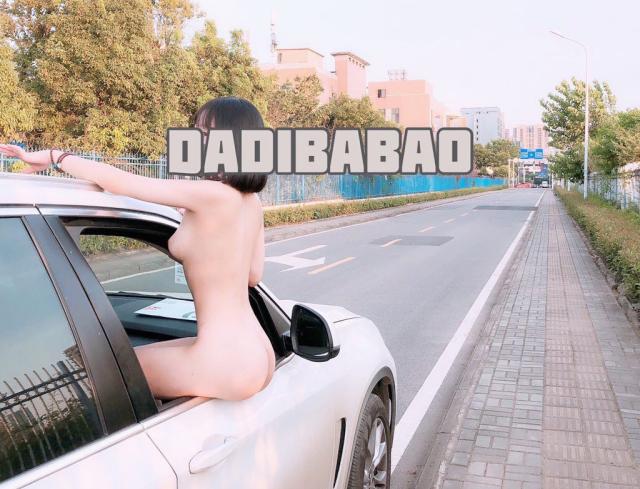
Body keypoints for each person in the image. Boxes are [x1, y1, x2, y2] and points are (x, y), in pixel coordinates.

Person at [0, 96, 276, 401]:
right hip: (256, 351)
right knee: (122, 361)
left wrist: (55, 156)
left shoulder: (211, 195)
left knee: (83, 374)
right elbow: (253, 274)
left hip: (227, 360)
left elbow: (120, 182)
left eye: (204, 133)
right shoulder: (250, 202)